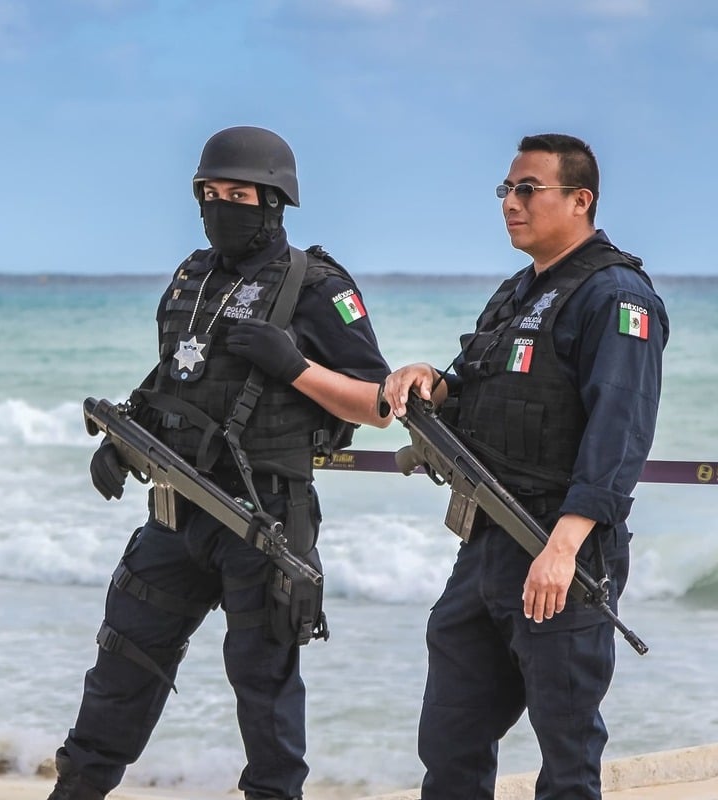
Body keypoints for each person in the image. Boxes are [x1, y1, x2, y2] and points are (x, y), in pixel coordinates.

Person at [46, 125, 391, 800]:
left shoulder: (316, 286)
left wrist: (294, 366)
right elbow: (175, 380)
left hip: (263, 517)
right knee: (122, 662)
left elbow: (377, 405)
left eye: (240, 194)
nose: (221, 206)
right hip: (175, 513)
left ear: (274, 202)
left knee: (263, 690)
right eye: (211, 192)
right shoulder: (190, 278)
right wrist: (122, 439)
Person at [383, 133, 669, 800]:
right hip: (486, 542)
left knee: (566, 754)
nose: (511, 203)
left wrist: (563, 548)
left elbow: (619, 432)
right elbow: (481, 383)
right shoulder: (519, 292)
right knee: (451, 740)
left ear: (580, 200)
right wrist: (432, 378)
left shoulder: (617, 296)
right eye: (505, 190)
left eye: (527, 189)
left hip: (557, 549)